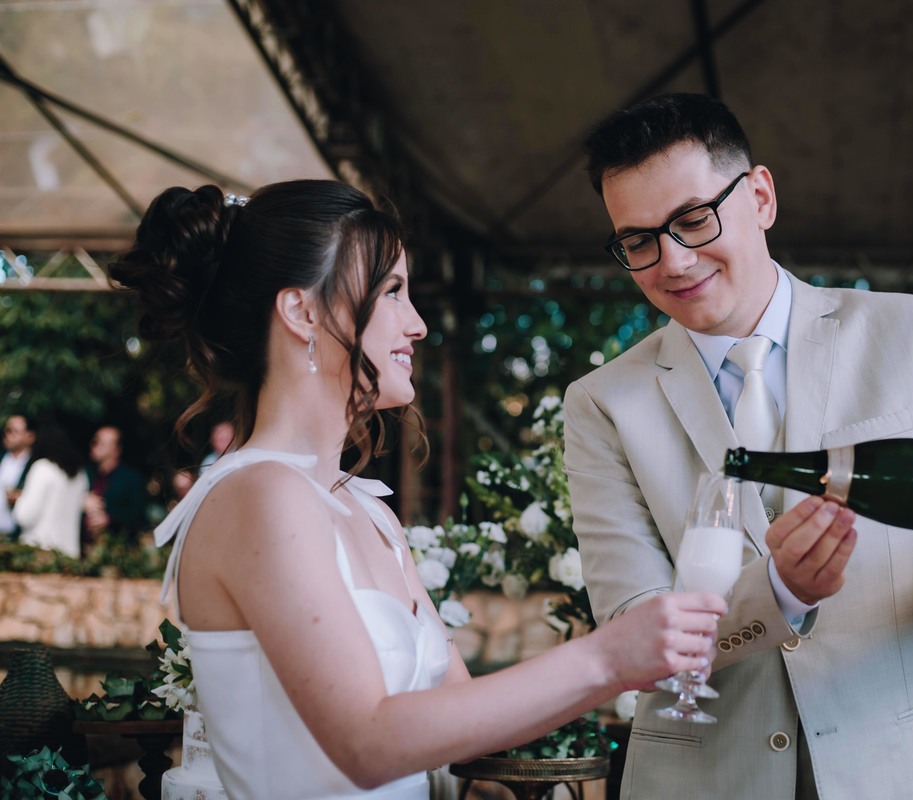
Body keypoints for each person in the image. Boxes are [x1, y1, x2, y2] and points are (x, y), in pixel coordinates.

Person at [563, 93, 913, 799]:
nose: (672, 260)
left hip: (910, 774)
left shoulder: (909, 330)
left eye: (694, 220)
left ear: (760, 197)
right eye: (638, 241)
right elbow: (630, 628)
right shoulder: (601, 403)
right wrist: (778, 593)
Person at [108, 179, 725, 800]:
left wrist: (620, 664)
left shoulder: (366, 510)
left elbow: (462, 722)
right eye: (392, 292)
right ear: (302, 312)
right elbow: (366, 744)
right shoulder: (260, 495)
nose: (419, 325)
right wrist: (606, 659)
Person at [13, 423, 88, 558]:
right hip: (70, 553)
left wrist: (19, 500)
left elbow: (25, 516)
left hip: (40, 550)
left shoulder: (43, 468)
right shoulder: (80, 475)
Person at [84, 425, 147, 543]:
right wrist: (82, 501)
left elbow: (138, 514)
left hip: (115, 546)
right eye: (94, 441)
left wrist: (109, 519)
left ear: (116, 450)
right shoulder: (85, 474)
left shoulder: (131, 478)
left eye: (100, 443)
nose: (94, 446)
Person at [0, 414, 36, 540]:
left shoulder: (36, 465)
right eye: (7, 430)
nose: (8, 435)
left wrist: (21, 498)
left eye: (14, 431)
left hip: (18, 535)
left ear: (30, 437)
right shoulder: (2, 458)